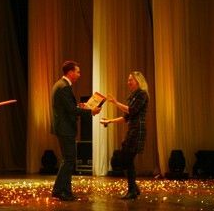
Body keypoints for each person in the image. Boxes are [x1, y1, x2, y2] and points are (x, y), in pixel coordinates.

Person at [51, 60, 101, 201]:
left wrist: (80, 106)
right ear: (70, 72)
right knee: (69, 160)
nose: (79, 74)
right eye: (78, 72)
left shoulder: (61, 85)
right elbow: (71, 110)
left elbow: (68, 107)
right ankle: (60, 191)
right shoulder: (64, 87)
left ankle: (62, 190)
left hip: (64, 128)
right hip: (65, 128)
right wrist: (91, 111)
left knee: (68, 160)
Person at [100, 71, 149, 199]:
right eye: (128, 80)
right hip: (132, 130)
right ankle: (134, 189)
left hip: (137, 130)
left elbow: (131, 110)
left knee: (127, 159)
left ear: (138, 81)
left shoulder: (142, 94)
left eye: (130, 80)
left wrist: (116, 102)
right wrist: (109, 121)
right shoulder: (133, 96)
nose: (128, 82)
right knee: (127, 159)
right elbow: (126, 117)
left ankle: (133, 190)